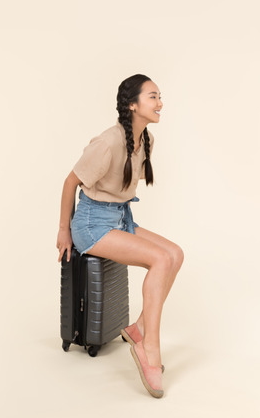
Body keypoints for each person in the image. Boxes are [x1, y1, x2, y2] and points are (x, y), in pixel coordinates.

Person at [56, 74, 184, 398]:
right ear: (132, 104)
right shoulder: (108, 142)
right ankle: (149, 349)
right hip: (91, 225)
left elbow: (120, 192)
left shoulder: (147, 140)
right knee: (159, 259)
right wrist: (63, 231)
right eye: (153, 97)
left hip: (120, 218)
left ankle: (139, 327)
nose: (160, 103)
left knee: (175, 255)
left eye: (160, 96)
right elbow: (70, 182)